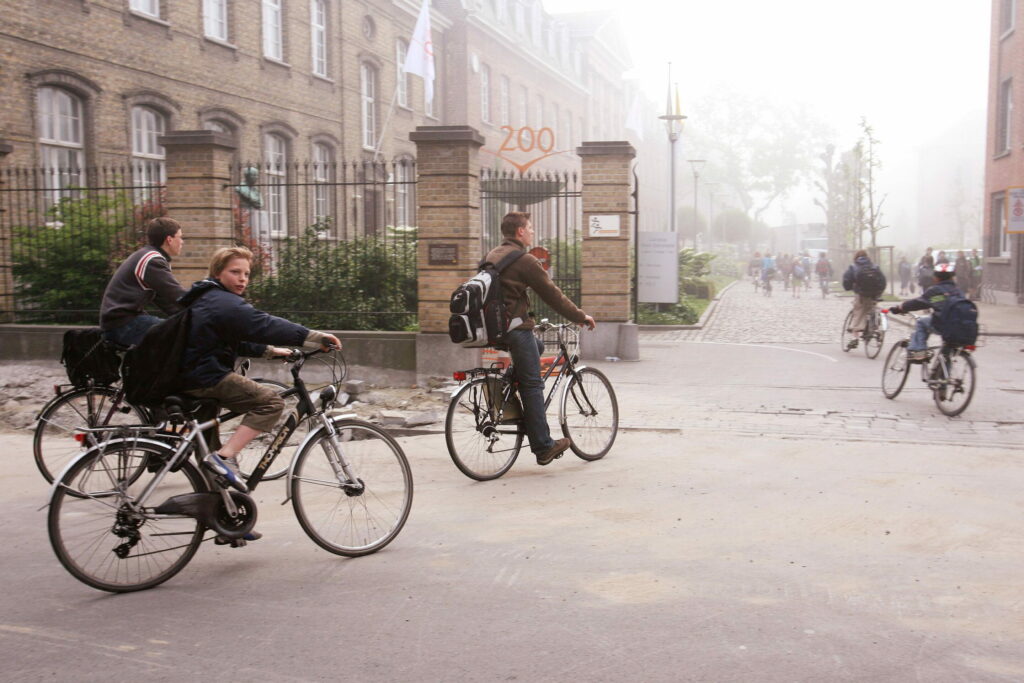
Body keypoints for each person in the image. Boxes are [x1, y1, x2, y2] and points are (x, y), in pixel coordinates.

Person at [178, 246, 341, 541]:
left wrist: (272, 351)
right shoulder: (223, 302)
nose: (242, 279)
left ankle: (226, 521)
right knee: (270, 402)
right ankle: (226, 457)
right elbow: (262, 324)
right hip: (205, 376)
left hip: (191, 373)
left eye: (246, 274)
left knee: (208, 451)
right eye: (235, 272)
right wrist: (315, 337)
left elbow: (236, 339)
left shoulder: (209, 298)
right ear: (218, 273)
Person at [485, 212, 596, 466]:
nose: (533, 232)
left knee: (537, 346)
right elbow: (552, 295)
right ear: (520, 232)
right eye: (530, 228)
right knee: (533, 385)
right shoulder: (524, 260)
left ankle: (509, 384)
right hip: (515, 328)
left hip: (494, 328)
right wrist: (580, 316)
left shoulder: (492, 256)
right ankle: (543, 446)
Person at [99, 216, 187, 347]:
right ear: (169, 239)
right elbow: (177, 295)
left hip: (121, 322)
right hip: (122, 325)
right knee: (181, 335)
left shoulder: (150, 256)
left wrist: (187, 316)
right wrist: (208, 308)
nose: (182, 242)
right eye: (180, 237)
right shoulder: (152, 260)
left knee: (181, 329)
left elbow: (165, 300)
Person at [888, 263, 962, 361]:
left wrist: (901, 307)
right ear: (952, 277)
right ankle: (944, 374)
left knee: (921, 322)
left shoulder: (936, 290)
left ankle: (920, 351)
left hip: (943, 324)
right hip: (960, 325)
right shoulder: (958, 291)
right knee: (947, 350)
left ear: (936, 277)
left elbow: (919, 302)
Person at [841, 249, 884, 349]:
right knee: (873, 308)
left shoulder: (853, 267)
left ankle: (854, 337)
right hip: (874, 294)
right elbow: (883, 281)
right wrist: (879, 292)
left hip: (861, 294)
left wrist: (848, 287)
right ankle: (876, 328)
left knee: (858, 312)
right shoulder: (875, 266)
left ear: (856, 257)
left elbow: (847, 280)